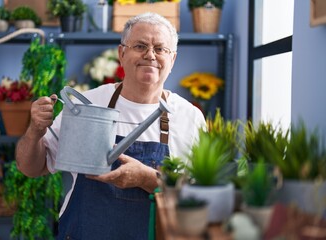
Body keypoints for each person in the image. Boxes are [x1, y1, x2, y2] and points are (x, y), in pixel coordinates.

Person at [16, 12, 206, 239]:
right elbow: (31, 168)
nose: (150, 55)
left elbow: (200, 196)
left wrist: (147, 178)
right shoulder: (87, 104)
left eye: (160, 49)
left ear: (172, 59)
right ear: (121, 53)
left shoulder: (190, 117)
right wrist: (35, 131)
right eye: (140, 45)